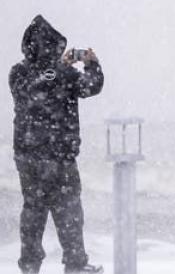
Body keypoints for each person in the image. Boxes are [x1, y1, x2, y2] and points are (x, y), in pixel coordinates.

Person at [9, 15, 104, 274]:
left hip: (28, 156)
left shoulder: (19, 73)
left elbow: (37, 90)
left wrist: (74, 67)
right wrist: (89, 65)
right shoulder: (58, 74)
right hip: (58, 156)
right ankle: (74, 265)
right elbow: (91, 86)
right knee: (68, 211)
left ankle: (30, 266)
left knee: (34, 212)